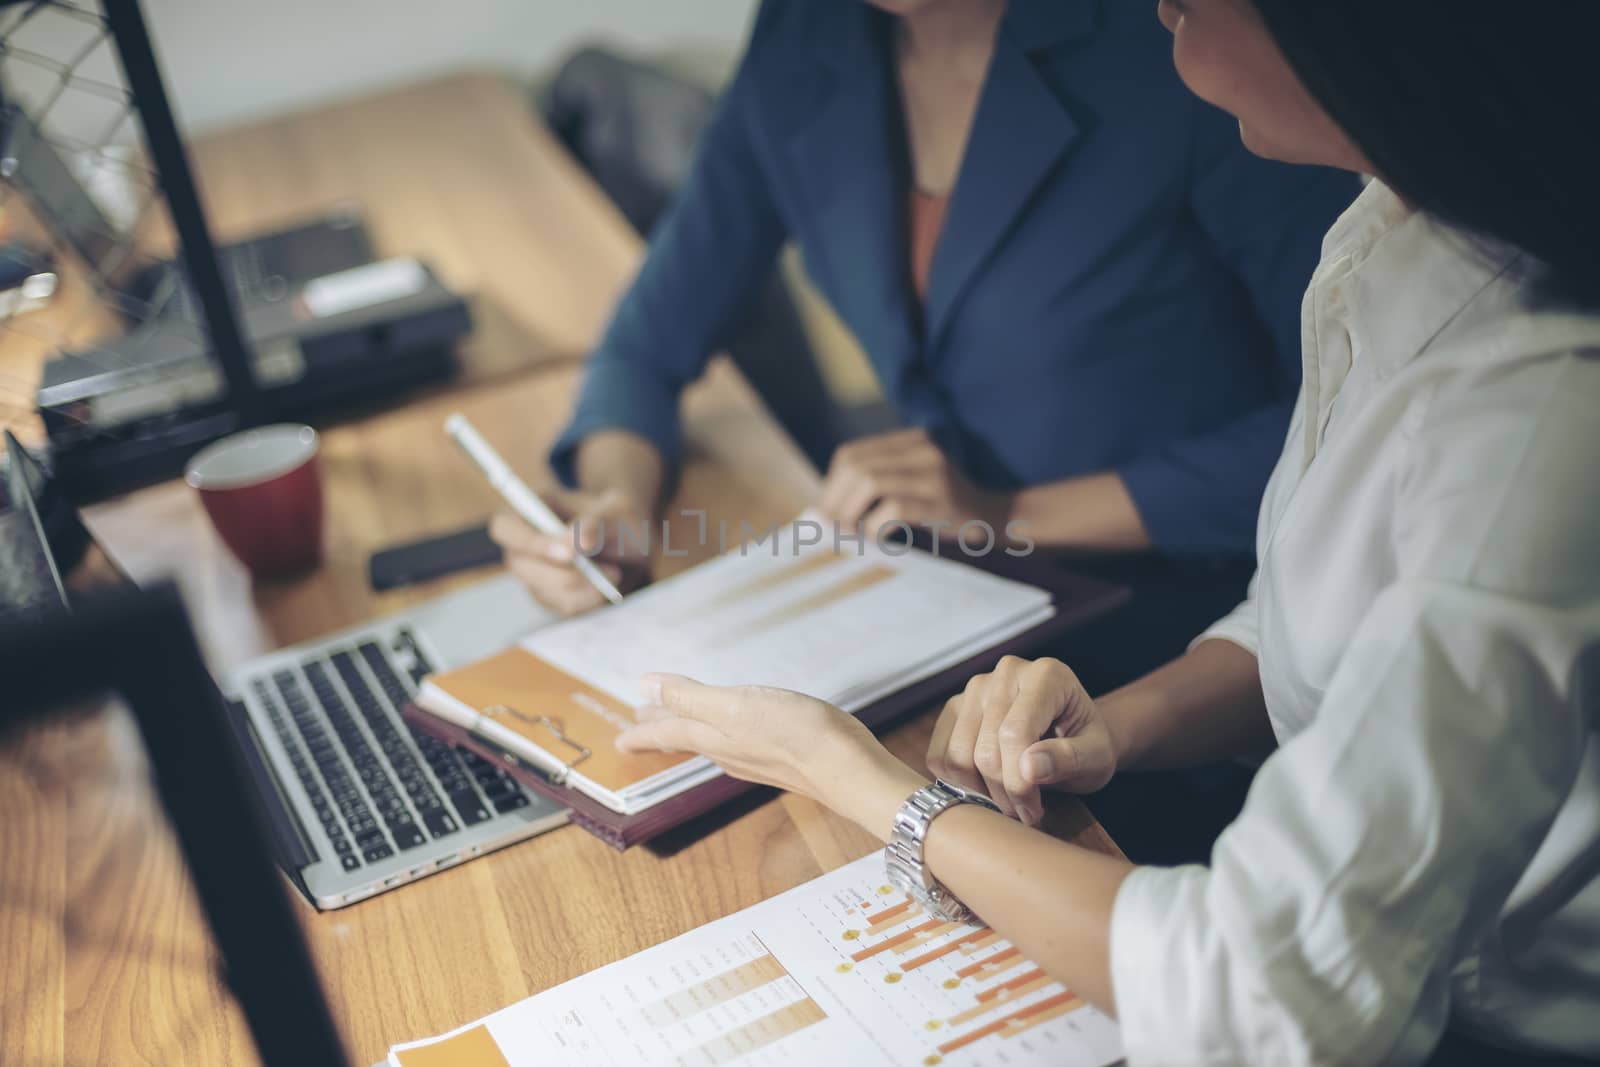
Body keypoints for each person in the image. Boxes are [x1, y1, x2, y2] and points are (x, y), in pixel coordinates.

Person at [613, 1, 1600, 1062]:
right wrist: (1116, 728)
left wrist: (855, 776)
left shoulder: (1532, 416)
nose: (1161, 4)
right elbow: (1312, 604)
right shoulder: (1393, 235)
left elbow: (1263, 992)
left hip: (1494, 1021)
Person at [494, 0, 1357, 694]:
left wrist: (1009, 516)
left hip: (1203, 635)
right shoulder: (808, 33)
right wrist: (614, 503)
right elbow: (646, 344)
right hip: (952, 613)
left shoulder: (1183, 41)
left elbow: (1349, 425)